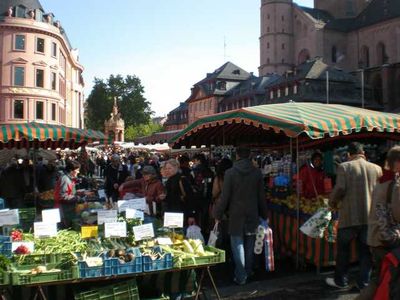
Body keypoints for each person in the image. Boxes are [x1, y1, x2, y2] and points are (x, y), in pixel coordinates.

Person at [326, 142, 382, 290]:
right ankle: (363, 282)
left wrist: (331, 203)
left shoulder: (344, 167)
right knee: (365, 251)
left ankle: (341, 281)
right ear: (363, 153)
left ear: (349, 154)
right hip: (369, 217)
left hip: (349, 217)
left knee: (343, 250)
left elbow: (340, 188)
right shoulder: (376, 169)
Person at [213, 146, 268, 285]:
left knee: (237, 245)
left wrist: (218, 213)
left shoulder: (230, 173)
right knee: (249, 244)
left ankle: (241, 275)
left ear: (236, 155)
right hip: (252, 213)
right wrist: (265, 214)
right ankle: (247, 271)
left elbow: (225, 197)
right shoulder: (257, 173)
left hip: (236, 213)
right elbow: (261, 196)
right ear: (249, 154)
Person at [361, 146, 400, 299]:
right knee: (389, 281)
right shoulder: (394, 184)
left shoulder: (383, 180)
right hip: (388, 239)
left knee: (379, 279)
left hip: (376, 237)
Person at [54, 160, 82, 228]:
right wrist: (77, 198)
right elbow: (63, 196)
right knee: (66, 227)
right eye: (77, 170)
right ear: (71, 170)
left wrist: (81, 193)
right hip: (64, 209)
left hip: (69, 208)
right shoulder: (65, 179)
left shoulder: (69, 178)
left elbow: (70, 192)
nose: (78, 172)